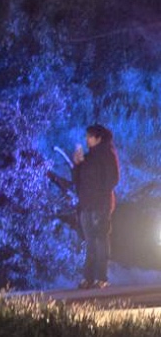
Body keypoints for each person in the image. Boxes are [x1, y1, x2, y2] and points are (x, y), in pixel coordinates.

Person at [72, 124, 120, 289]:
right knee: (90, 242)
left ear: (98, 138)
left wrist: (100, 195)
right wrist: (77, 165)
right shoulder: (88, 157)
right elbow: (77, 182)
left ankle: (101, 277)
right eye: (86, 136)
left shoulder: (107, 154)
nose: (87, 139)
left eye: (89, 136)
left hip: (100, 204)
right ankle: (88, 278)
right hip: (86, 205)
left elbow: (113, 179)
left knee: (100, 241)